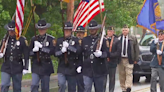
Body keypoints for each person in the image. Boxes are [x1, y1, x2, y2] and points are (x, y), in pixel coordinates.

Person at [0, 21, 29, 92]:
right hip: (6, 65)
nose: (11, 32)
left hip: (17, 66)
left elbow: (26, 54)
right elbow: (1, 49)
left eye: (12, 31)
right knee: (4, 84)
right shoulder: (5, 39)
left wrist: (26, 67)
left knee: (17, 87)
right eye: (10, 30)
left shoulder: (22, 40)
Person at [29, 19, 56, 92]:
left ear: (46, 29)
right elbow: (29, 53)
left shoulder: (51, 39)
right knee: (34, 85)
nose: (41, 30)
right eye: (40, 29)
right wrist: (34, 51)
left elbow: (53, 51)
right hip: (36, 65)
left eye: (43, 29)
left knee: (45, 87)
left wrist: (42, 48)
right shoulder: (34, 39)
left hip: (46, 65)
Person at [81, 20, 107, 92]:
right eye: (90, 29)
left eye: (93, 29)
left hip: (99, 70)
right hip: (87, 69)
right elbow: (81, 53)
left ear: (97, 29)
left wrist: (101, 54)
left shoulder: (102, 40)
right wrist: (79, 65)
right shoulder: (85, 40)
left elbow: (107, 53)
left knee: (99, 90)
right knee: (86, 89)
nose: (92, 30)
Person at [55, 22, 80, 92]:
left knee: (72, 88)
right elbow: (55, 53)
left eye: (68, 30)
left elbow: (78, 51)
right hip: (62, 66)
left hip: (71, 66)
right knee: (61, 84)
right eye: (65, 30)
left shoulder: (75, 40)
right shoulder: (59, 40)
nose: (66, 32)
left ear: (71, 31)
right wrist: (61, 51)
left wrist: (69, 47)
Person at [118, 25, 139, 92]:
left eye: (126, 30)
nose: (125, 31)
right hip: (121, 59)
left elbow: (136, 49)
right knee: (122, 74)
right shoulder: (119, 38)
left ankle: (128, 87)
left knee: (129, 73)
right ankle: (123, 88)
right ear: (122, 31)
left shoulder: (133, 38)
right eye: (123, 30)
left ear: (128, 30)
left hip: (129, 58)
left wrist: (136, 58)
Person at [104, 26, 121, 92]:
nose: (109, 32)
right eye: (108, 31)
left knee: (112, 78)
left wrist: (110, 55)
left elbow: (118, 52)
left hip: (112, 61)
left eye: (111, 31)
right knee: (104, 78)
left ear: (113, 32)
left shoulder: (116, 40)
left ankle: (111, 90)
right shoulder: (104, 39)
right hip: (105, 61)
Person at [75, 26, 85, 92]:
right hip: (74, 65)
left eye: (81, 33)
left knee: (83, 85)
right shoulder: (74, 41)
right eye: (78, 33)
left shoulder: (86, 42)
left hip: (84, 66)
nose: (79, 34)